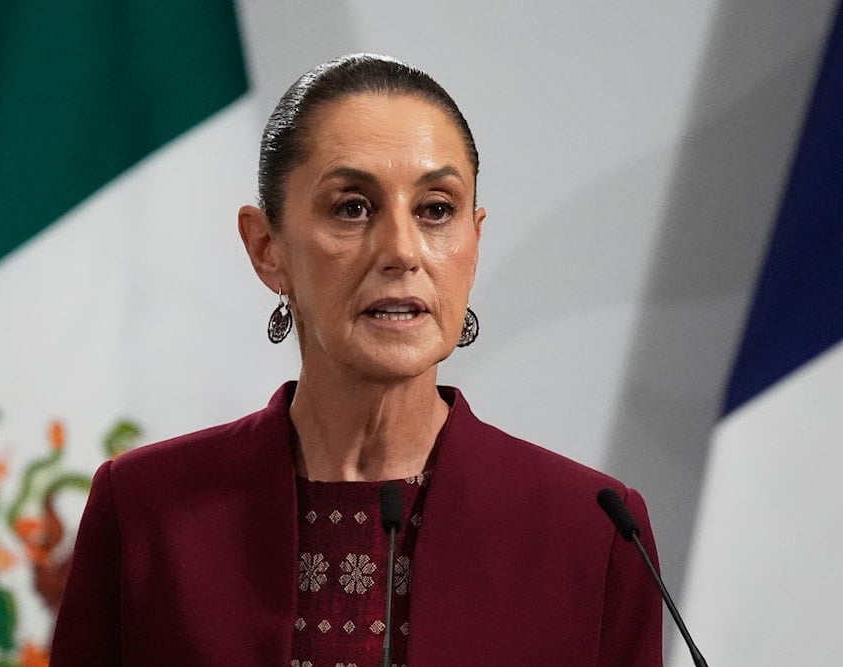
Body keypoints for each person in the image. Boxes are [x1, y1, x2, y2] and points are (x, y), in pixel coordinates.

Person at [50, 54, 663, 666]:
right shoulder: (143, 513)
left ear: (474, 244)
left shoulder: (596, 533)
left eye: (436, 210)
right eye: (352, 207)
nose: (402, 250)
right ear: (267, 249)